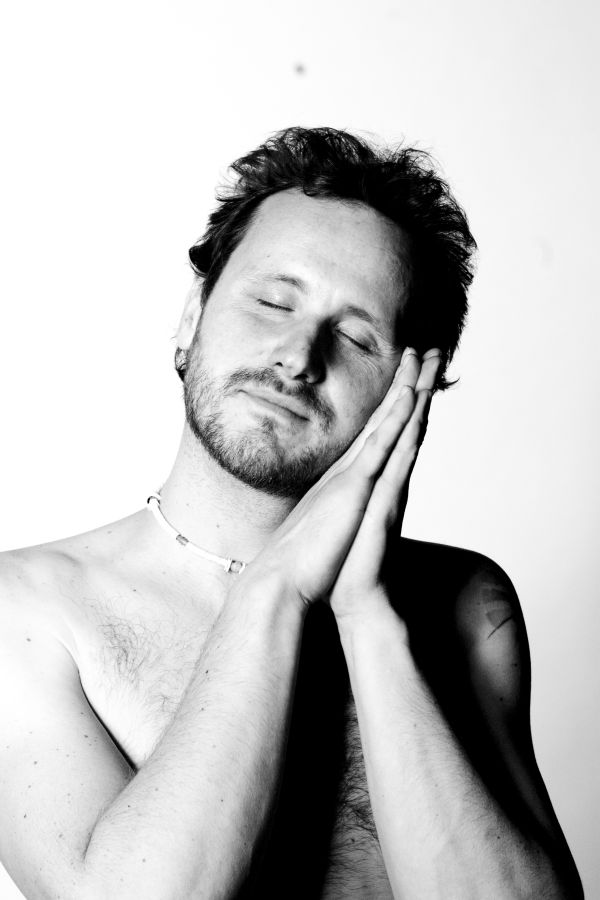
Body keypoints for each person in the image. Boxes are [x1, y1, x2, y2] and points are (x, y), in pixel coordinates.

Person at [0, 127, 582, 900]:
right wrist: (274, 588)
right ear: (192, 320)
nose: (298, 356)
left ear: (411, 389)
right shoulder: (27, 612)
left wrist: (366, 615)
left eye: (356, 337)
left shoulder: (468, 604)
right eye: (273, 301)